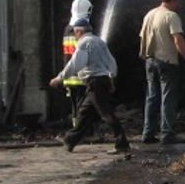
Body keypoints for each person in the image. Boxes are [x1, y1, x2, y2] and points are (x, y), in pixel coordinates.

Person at [50, 17, 130, 154]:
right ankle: (70, 140)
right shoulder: (99, 41)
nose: (74, 36)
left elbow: (75, 64)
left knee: (106, 114)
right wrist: (111, 78)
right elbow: (111, 62)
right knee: (84, 113)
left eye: (75, 33)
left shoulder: (83, 43)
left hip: (94, 83)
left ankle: (122, 143)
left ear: (79, 32)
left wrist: (59, 78)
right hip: (101, 81)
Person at [139, 0, 185, 144]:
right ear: (173, 0)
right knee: (168, 98)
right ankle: (167, 134)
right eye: (178, 2)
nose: (178, 5)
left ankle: (148, 133)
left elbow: (142, 36)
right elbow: (178, 39)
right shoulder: (171, 16)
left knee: (151, 97)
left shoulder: (149, 15)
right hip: (167, 61)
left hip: (149, 61)